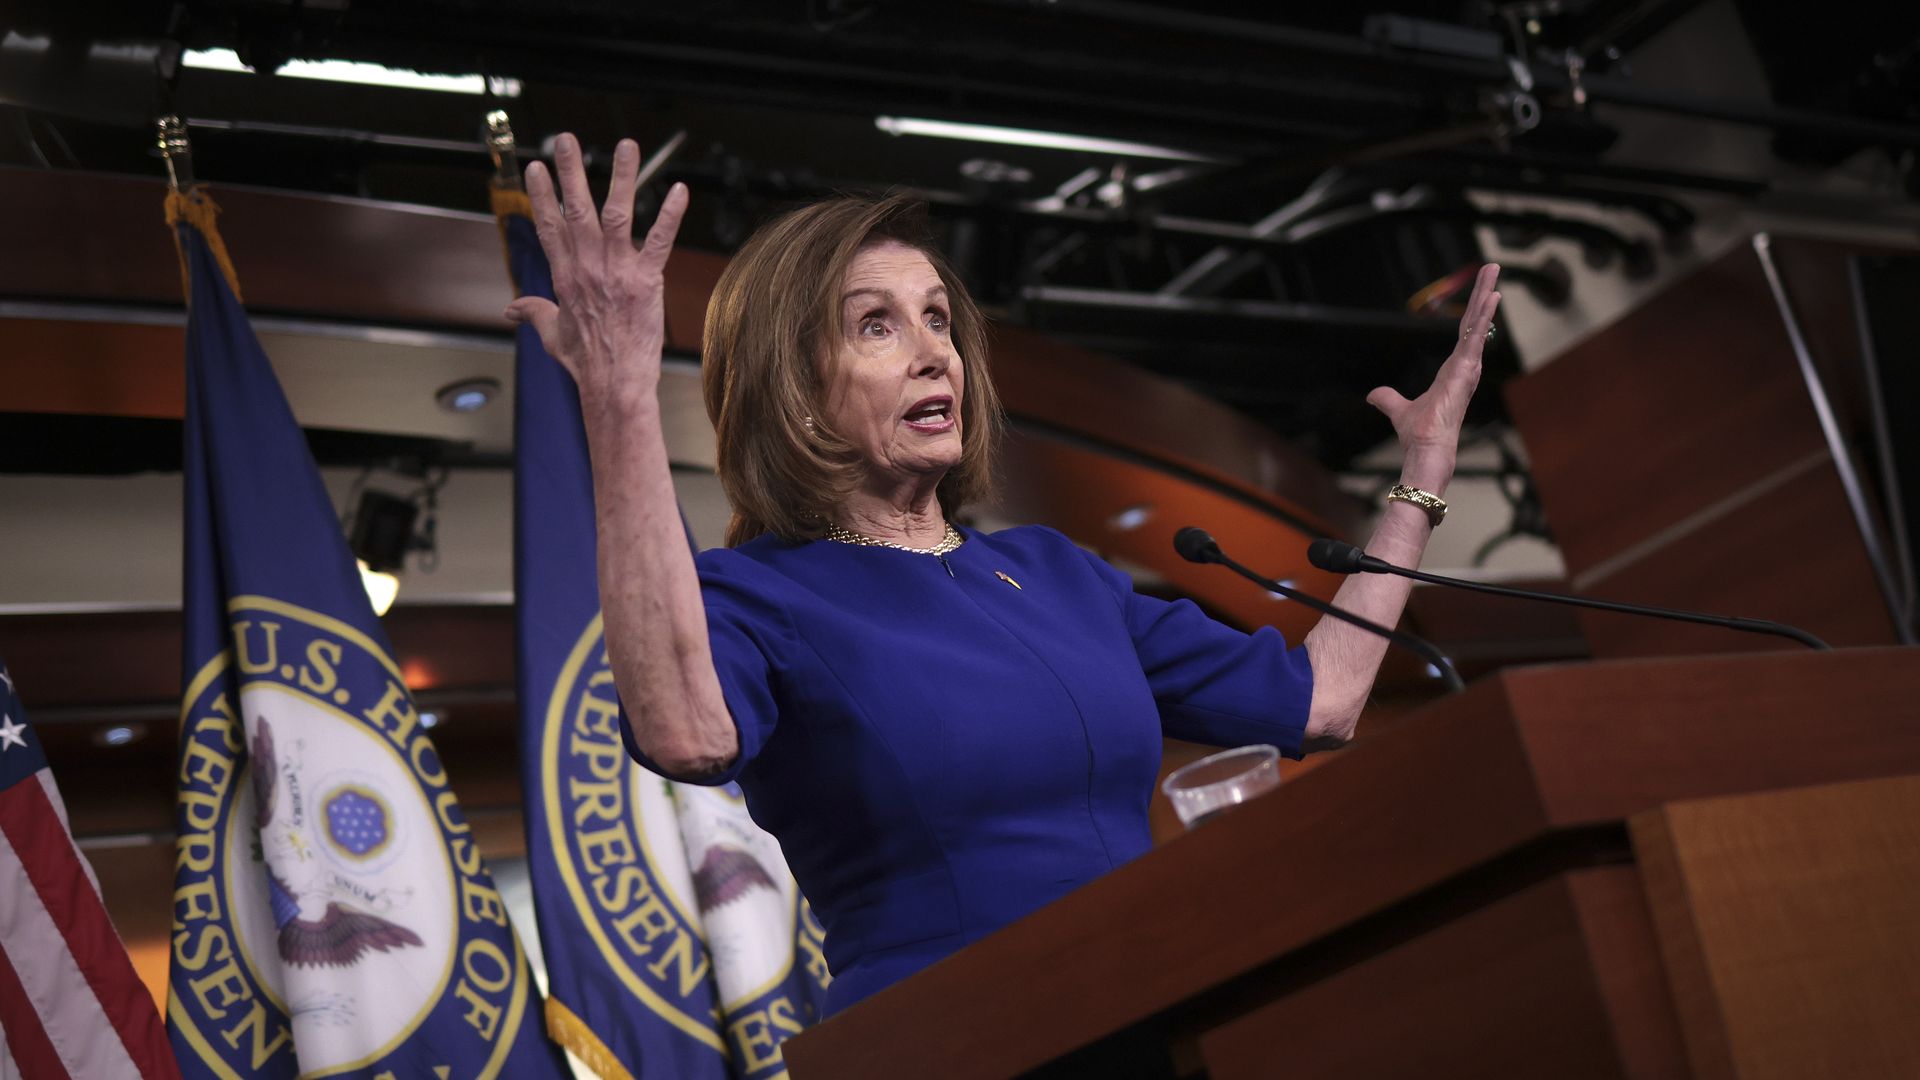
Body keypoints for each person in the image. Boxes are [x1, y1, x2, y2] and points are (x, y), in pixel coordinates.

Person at [506, 133, 1501, 1016]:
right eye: (876, 325)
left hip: (1159, 1002)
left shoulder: (1056, 573)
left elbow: (1322, 702)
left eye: (938, 318)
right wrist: (620, 397)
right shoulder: (761, 595)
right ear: (796, 392)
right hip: (948, 1035)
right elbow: (683, 732)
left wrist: (1419, 482)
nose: (936, 353)